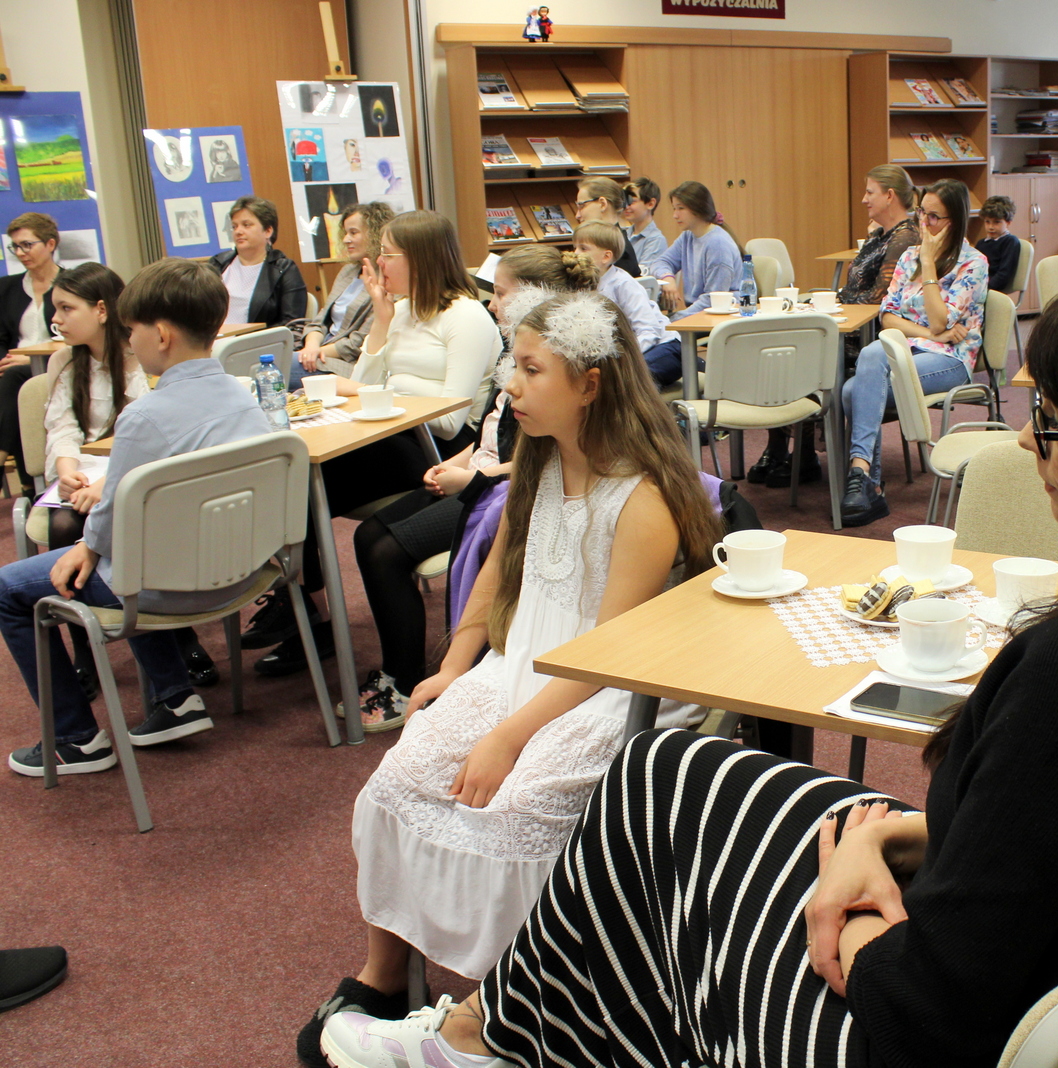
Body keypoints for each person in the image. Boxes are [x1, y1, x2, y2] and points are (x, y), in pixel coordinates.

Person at [317, 250, 1058, 1068]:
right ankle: (493, 1031)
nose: (1031, 448)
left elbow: (925, 1009)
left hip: (903, 1034)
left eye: (1049, 423)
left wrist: (851, 910)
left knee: (658, 841)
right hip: (1055, 967)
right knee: (671, 769)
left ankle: (487, 1036)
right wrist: (886, 839)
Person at [300, 289, 722, 1066]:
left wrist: (506, 736)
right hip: (515, 671)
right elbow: (498, 572)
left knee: (519, 814)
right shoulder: (536, 457)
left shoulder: (646, 496)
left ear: (590, 383)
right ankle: (385, 974)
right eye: (512, 368)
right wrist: (454, 669)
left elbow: (608, 654)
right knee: (401, 775)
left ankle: (504, 1014)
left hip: (601, 693)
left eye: (530, 371)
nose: (512, 388)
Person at [2, 259, 272, 776]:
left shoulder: (144, 416)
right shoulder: (244, 397)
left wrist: (86, 545)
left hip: (165, 586)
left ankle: (75, 739)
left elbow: (107, 522)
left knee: (11, 588)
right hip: (242, 573)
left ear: (163, 335)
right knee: (137, 553)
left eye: (132, 330)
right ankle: (173, 699)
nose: (129, 339)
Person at [342, 244, 601, 730]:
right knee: (368, 534)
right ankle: (414, 669)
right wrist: (456, 463)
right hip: (477, 473)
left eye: (501, 293)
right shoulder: (517, 352)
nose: (492, 303)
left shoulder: (553, 376)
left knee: (386, 553)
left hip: (495, 485)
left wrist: (473, 477)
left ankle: (402, 676)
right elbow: (487, 429)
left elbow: (533, 461)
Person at [245, 210, 499, 676]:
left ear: (419, 259)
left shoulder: (466, 317)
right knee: (294, 485)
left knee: (307, 490)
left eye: (388, 255)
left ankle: (304, 614)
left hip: (438, 447)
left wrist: (367, 393)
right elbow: (361, 380)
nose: (378, 264)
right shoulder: (399, 310)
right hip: (391, 435)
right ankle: (306, 610)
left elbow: (451, 418)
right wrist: (380, 324)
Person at [37, 263, 216, 696]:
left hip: (131, 476)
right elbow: (61, 428)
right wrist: (67, 473)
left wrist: (105, 487)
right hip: (86, 471)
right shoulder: (66, 362)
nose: (55, 320)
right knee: (65, 525)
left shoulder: (145, 358)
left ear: (101, 310)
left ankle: (180, 637)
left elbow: (150, 436)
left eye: (66, 308)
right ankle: (86, 644)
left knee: (118, 528)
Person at [752, 165, 920, 490]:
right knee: (783, 345)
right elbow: (854, 291)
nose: (863, 199)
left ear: (890, 195)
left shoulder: (905, 239)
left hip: (869, 336)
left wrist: (835, 309)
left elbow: (878, 300)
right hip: (849, 326)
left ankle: (799, 454)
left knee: (797, 353)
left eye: (870, 192)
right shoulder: (882, 235)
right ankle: (786, 451)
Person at [841, 179, 986, 526]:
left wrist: (930, 264)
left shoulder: (974, 263)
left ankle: (866, 481)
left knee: (856, 385)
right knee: (870, 360)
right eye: (922, 212)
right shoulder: (908, 257)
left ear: (956, 220)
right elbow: (888, 316)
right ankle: (865, 480)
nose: (925, 223)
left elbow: (940, 314)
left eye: (934, 217)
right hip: (911, 348)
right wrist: (931, 332)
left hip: (951, 360)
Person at [292, 201, 395, 388]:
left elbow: (359, 342)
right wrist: (311, 347)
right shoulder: (347, 272)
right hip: (317, 352)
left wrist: (316, 352)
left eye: (353, 233)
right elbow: (318, 322)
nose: (346, 239)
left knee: (275, 369)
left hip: (346, 363)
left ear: (374, 234)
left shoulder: (387, 280)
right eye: (345, 233)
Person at [0, 212, 61, 464]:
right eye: (16, 247)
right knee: (11, 382)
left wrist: (29, 362)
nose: (21, 252)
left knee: (15, 382)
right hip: (12, 367)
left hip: (56, 364)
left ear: (50, 244)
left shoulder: (71, 284)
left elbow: (77, 339)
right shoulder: (6, 287)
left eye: (27, 244)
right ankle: (27, 484)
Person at [572, 220, 675, 368]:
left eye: (583, 249)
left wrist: (620, 360)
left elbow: (649, 331)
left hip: (661, 346)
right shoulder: (583, 284)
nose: (575, 254)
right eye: (575, 247)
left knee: (627, 380)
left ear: (606, 257)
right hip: (630, 351)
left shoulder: (623, 283)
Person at [206, 197, 307, 329]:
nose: (238, 231)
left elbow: (292, 323)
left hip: (257, 343)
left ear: (268, 231)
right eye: (234, 226)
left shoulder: (285, 269)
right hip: (211, 341)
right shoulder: (218, 264)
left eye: (246, 225)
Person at [653, 180, 742, 325]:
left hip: (717, 318)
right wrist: (668, 278)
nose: (675, 215)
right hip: (698, 314)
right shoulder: (688, 236)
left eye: (680, 208)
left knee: (657, 340)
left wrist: (673, 320)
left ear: (698, 208)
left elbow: (713, 300)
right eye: (674, 209)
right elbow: (661, 262)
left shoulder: (717, 244)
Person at [574, 177, 641, 277]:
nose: (577, 215)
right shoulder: (617, 243)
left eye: (582, 206)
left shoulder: (620, 254)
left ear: (602, 204)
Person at [622, 176, 667, 276]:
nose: (626, 206)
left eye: (632, 201)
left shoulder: (656, 240)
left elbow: (643, 278)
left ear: (650, 204)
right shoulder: (623, 234)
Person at [975, 195, 1021, 291]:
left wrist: (983, 288)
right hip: (978, 285)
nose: (991, 227)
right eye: (987, 222)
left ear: (1008, 222)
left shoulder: (1010, 242)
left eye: (996, 222)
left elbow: (1004, 274)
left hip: (991, 289)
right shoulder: (981, 243)